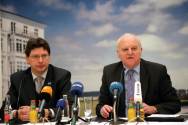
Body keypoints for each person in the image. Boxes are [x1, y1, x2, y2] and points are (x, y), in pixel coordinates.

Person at [96, 33, 181, 119]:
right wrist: (102, 109)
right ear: (118, 54)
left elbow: (174, 104)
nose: (130, 52)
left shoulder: (158, 71)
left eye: (134, 48)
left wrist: (154, 109)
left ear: (141, 50)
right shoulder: (109, 72)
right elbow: (101, 105)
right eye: (125, 49)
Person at [0, 37, 72, 122]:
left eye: (44, 56)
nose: (41, 60)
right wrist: (17, 114)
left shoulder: (62, 76)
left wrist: (46, 112)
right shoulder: (18, 79)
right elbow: (3, 112)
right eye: (35, 56)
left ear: (49, 57)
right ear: (27, 59)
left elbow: (69, 109)